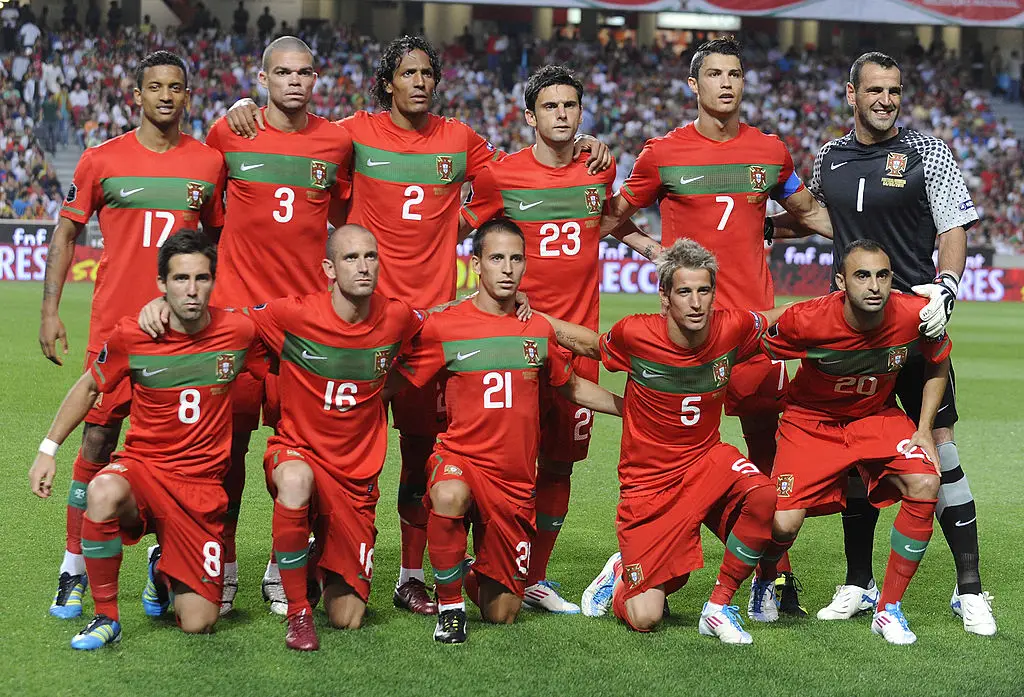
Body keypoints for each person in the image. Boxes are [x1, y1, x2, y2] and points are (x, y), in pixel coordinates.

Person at [224, 34, 612, 616]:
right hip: (358, 321)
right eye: (408, 73)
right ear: (387, 82)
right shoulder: (351, 134)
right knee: (319, 445)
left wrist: (578, 144)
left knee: (419, 452)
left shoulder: (460, 140)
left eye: (428, 73)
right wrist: (243, 109)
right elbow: (297, 135)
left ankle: (410, 575)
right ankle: (293, 562)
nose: (421, 82)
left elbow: (520, 170)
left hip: (428, 326)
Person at [599, 37, 832, 618]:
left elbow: (808, 213)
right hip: (686, 338)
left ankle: (771, 575)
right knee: (673, 459)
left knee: (767, 456)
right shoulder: (662, 154)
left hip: (751, 334)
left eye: (735, 74)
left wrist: (876, 235)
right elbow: (609, 217)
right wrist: (650, 247)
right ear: (694, 85)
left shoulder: (770, 152)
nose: (726, 83)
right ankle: (634, 556)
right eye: (715, 74)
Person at [801, 51, 994, 635]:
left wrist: (947, 286)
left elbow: (952, 225)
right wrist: (759, 222)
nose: (886, 100)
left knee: (940, 447)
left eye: (894, 90)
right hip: (851, 331)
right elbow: (819, 217)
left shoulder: (927, 152)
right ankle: (858, 583)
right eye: (875, 90)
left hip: (914, 324)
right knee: (854, 453)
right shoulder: (828, 157)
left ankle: (970, 590)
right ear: (851, 94)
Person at [458, 65, 660, 614]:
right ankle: (484, 564)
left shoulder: (598, 167)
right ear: (530, 116)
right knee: (504, 462)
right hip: (516, 337)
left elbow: (606, 219)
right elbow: (462, 228)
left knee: (558, 464)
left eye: (570, 105)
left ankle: (535, 577)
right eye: (550, 106)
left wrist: (651, 250)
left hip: (579, 342)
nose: (562, 114)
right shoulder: (503, 175)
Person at [37, 50, 226, 621]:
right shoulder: (101, 159)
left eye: (176, 87)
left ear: (187, 95)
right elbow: (66, 233)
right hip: (115, 330)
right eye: (155, 87)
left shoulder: (208, 163)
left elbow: (218, 244)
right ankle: (73, 567)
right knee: (96, 444)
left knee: (177, 453)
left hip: (182, 335)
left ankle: (163, 560)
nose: (166, 96)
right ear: (136, 96)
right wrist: (50, 311)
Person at [386, 219, 623, 644]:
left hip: (514, 482)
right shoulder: (446, 325)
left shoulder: (538, 329)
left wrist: (631, 408)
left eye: (516, 259)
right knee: (448, 494)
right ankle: (450, 608)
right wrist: (343, 400)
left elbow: (571, 386)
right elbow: (397, 380)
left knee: (502, 613)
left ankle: (466, 566)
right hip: (461, 460)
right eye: (497, 258)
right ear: (476, 263)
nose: (508, 268)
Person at [28, 229, 261, 650]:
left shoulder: (240, 331)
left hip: (199, 488)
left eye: (201, 278)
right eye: (180, 279)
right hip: (144, 471)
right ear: (161, 283)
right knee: (102, 490)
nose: (191, 290)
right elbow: (89, 387)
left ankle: (161, 571)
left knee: (199, 622)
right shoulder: (133, 335)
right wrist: (48, 449)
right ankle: (107, 616)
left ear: (214, 280)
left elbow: (296, 338)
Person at [545, 239, 781, 644]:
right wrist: (536, 320)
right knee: (646, 616)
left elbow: (778, 319)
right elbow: (590, 346)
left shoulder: (731, 327)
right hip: (648, 484)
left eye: (704, 291)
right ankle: (621, 572)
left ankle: (719, 607)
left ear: (714, 294)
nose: (695, 303)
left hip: (707, 461)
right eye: (684, 291)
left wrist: (838, 299)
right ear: (665, 297)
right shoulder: (635, 334)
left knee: (765, 498)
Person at [204, 35, 353, 616]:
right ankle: (223, 562)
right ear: (262, 79)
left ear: (316, 79)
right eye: (284, 72)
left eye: (305, 72)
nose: (295, 81)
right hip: (237, 323)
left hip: (304, 328)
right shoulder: (229, 133)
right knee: (227, 453)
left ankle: (281, 563)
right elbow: (204, 212)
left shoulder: (336, 142)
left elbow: (348, 213)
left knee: (304, 454)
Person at [751, 240, 949, 645]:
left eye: (882, 276)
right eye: (862, 276)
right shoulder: (806, 320)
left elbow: (938, 361)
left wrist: (924, 429)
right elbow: (756, 346)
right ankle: (765, 579)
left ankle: (888, 608)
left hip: (875, 418)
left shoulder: (913, 314)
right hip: (810, 423)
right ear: (841, 282)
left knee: (926, 482)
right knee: (783, 523)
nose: (874, 286)